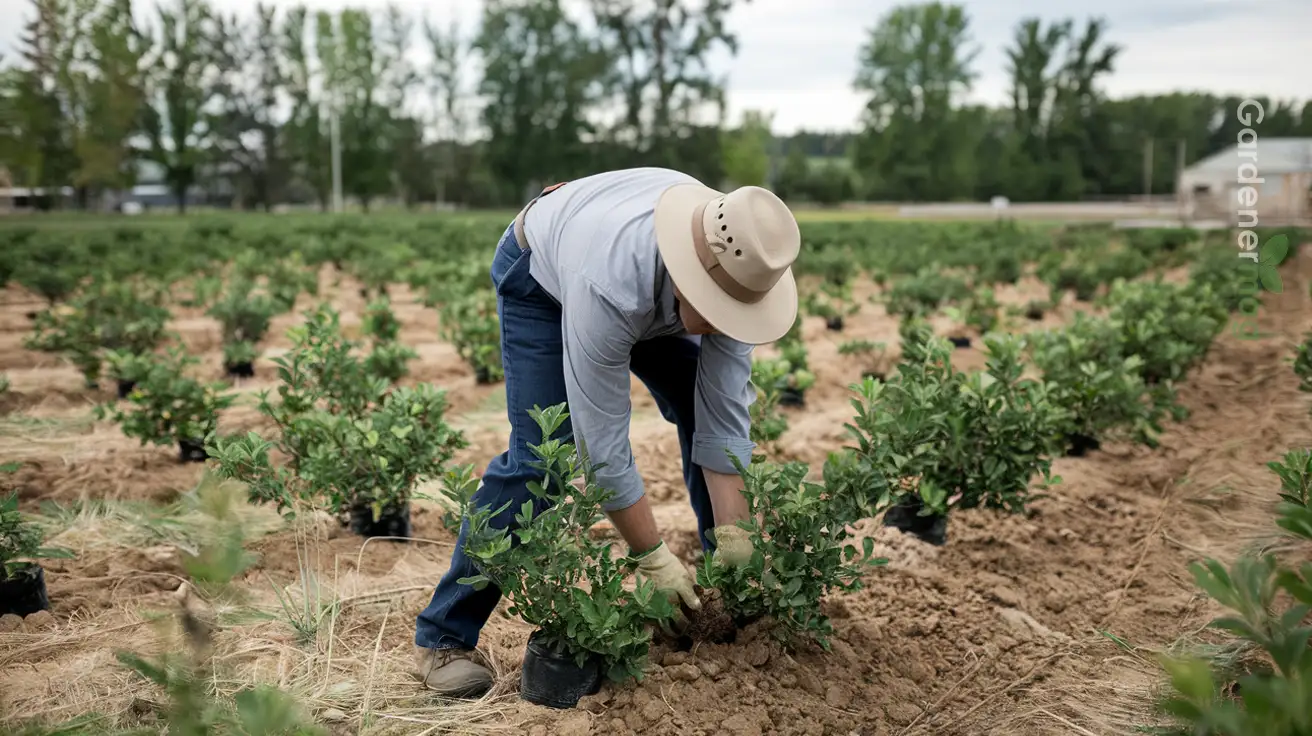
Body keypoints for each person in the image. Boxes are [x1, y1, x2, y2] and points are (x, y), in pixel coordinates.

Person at [413, 167, 802, 697]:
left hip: (630, 268)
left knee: (696, 402)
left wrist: (738, 542)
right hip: (543, 276)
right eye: (715, 308)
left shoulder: (743, 263)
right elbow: (603, 449)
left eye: (733, 311)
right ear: (691, 273)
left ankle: (723, 595)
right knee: (544, 455)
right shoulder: (610, 282)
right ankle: (443, 638)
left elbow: (723, 421)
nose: (721, 322)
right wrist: (652, 558)